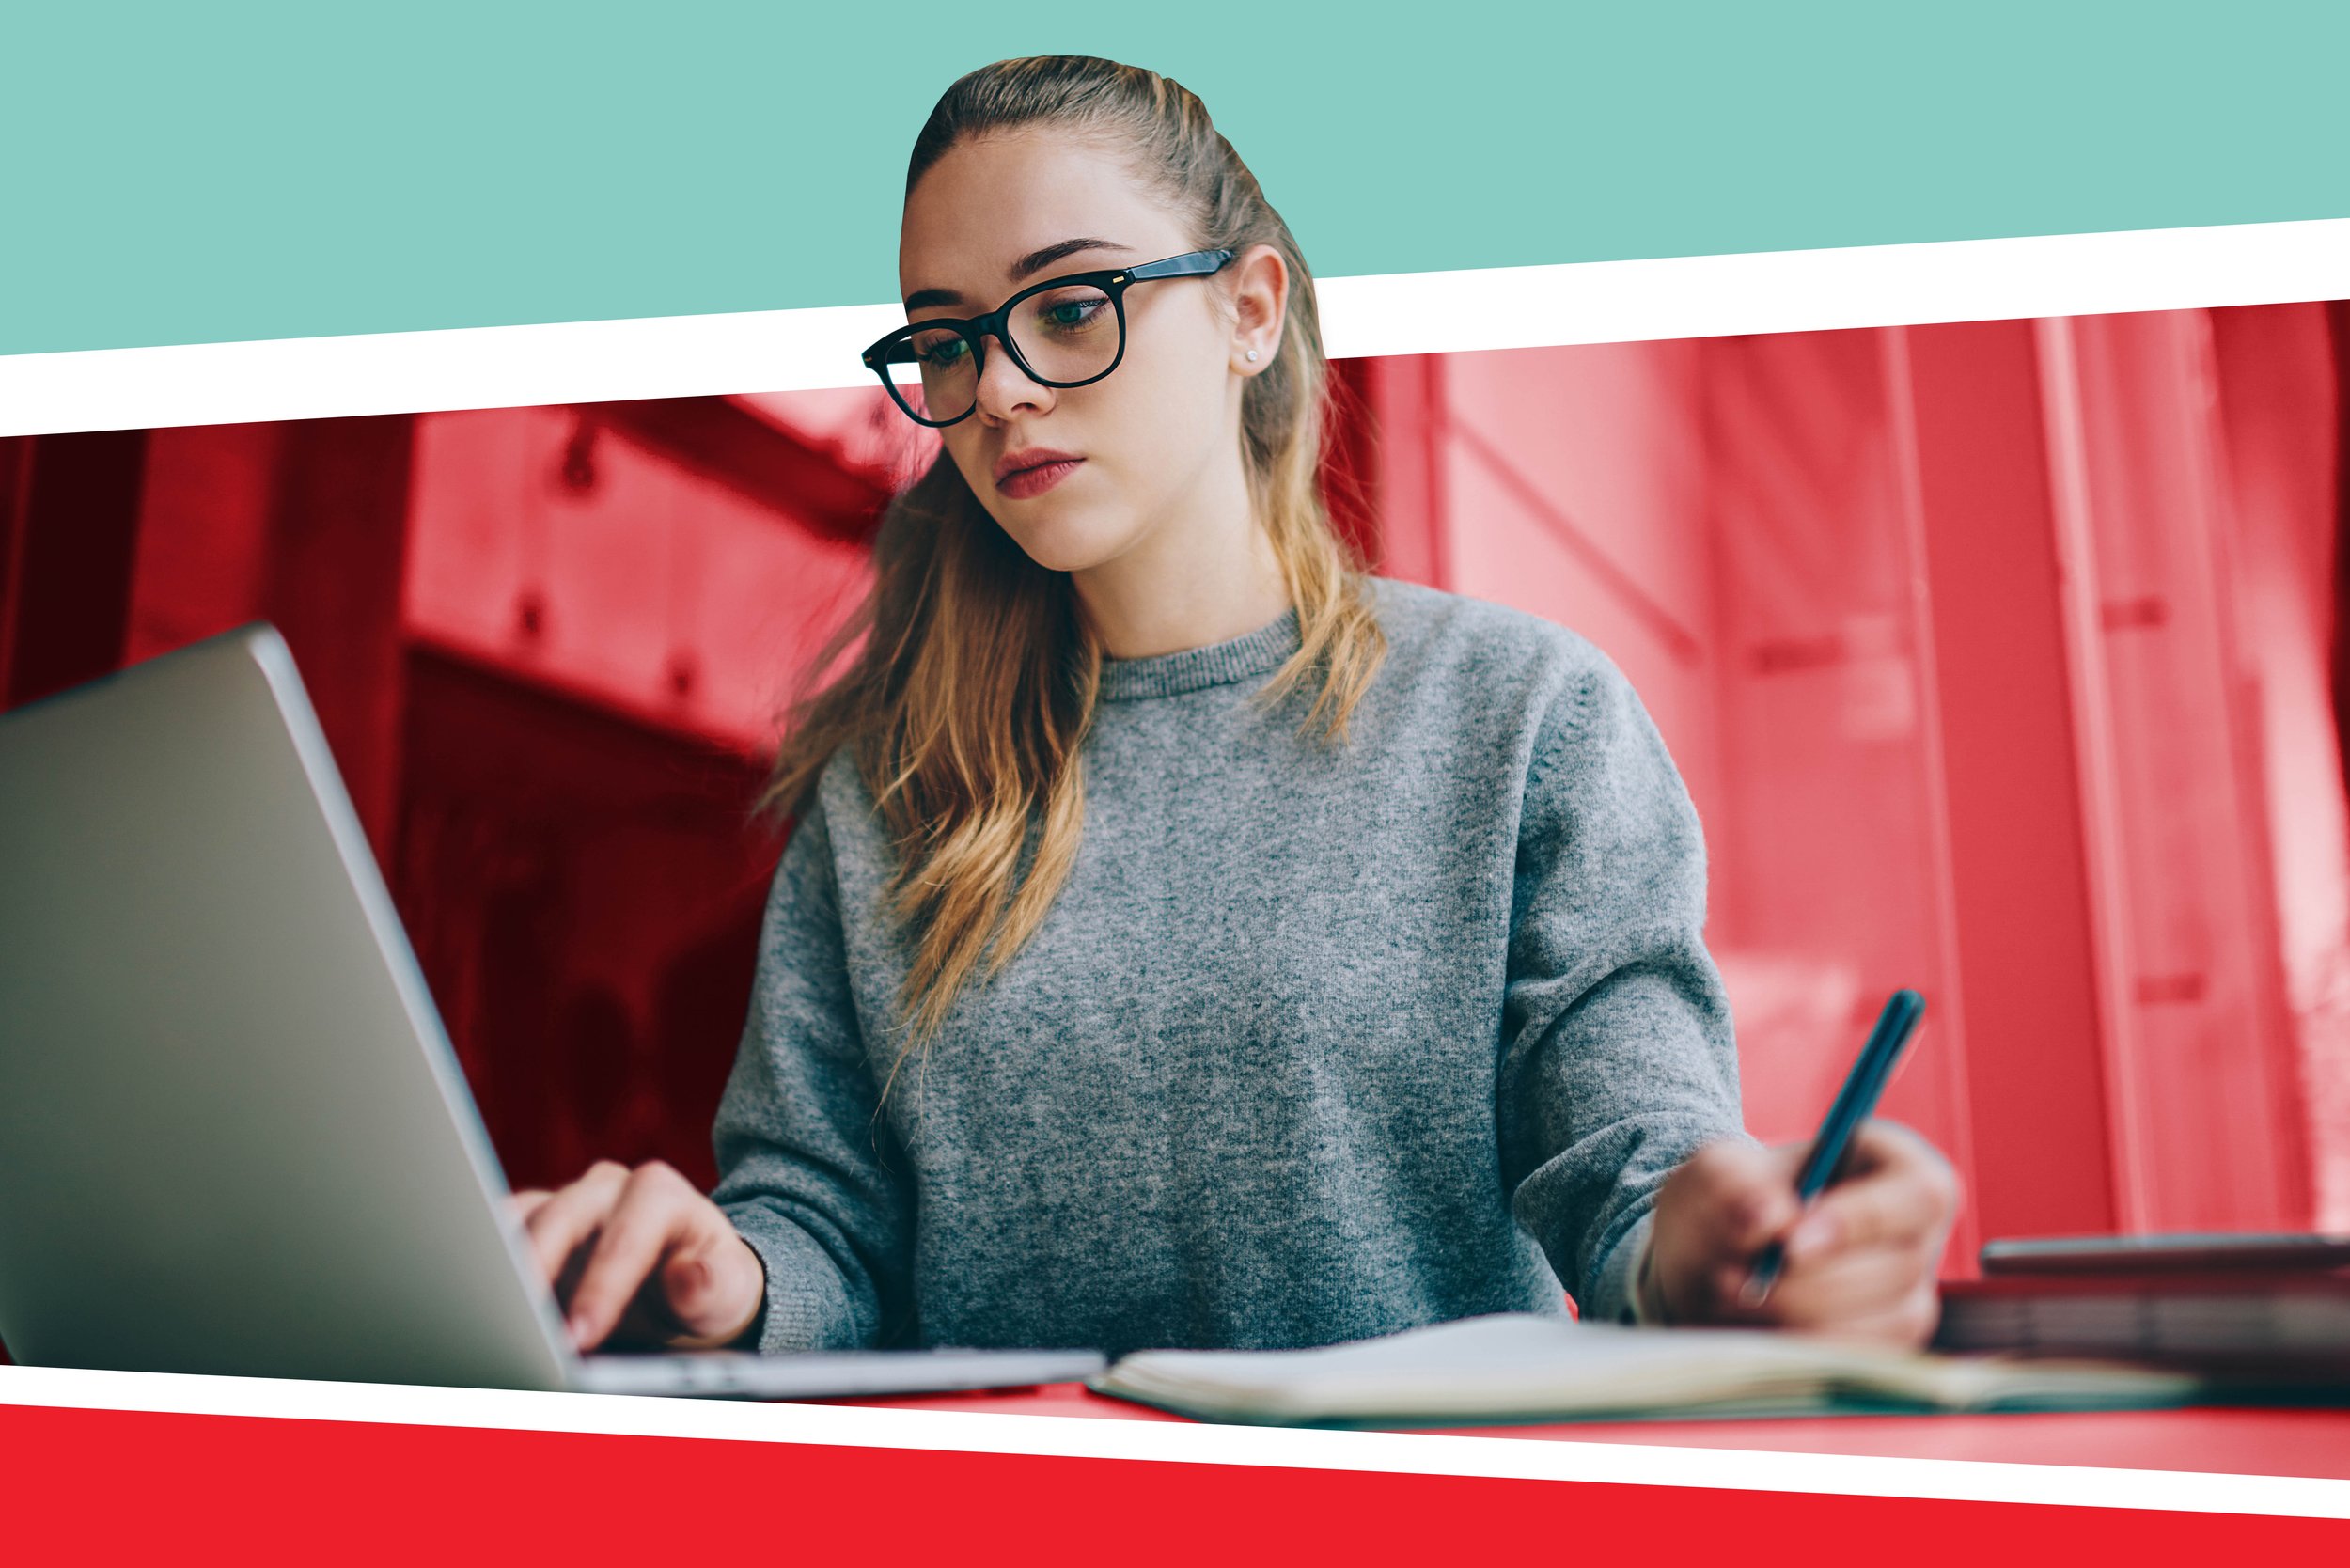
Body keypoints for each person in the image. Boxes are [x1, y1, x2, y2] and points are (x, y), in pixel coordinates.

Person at [510, 55, 1961, 1360]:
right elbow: (821, 1233)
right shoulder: (889, 790)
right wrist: (733, 1275)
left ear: (1248, 311)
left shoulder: (1521, 720)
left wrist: (1714, 1248)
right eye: (945, 343)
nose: (1002, 389)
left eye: (1070, 307)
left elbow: (1638, 1178)